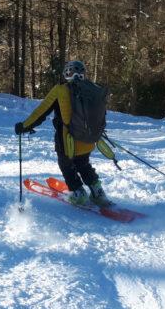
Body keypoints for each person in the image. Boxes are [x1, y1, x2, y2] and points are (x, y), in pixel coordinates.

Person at [15, 60, 112, 207]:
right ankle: (98, 192)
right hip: (88, 139)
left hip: (67, 140)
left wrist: (24, 126)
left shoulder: (60, 90)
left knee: (66, 164)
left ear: (67, 74)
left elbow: (41, 111)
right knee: (83, 164)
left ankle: (78, 193)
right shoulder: (92, 89)